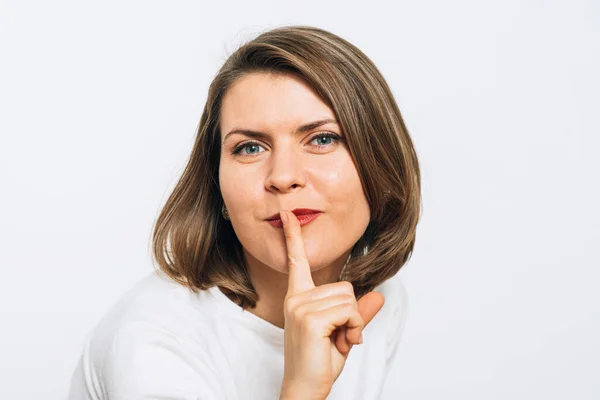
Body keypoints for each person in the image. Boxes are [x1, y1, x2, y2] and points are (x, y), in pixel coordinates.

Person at [67, 25, 421, 400]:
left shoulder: (379, 301)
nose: (283, 177)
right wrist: (302, 388)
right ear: (217, 184)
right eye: (250, 148)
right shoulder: (153, 344)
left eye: (322, 139)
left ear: (380, 165)